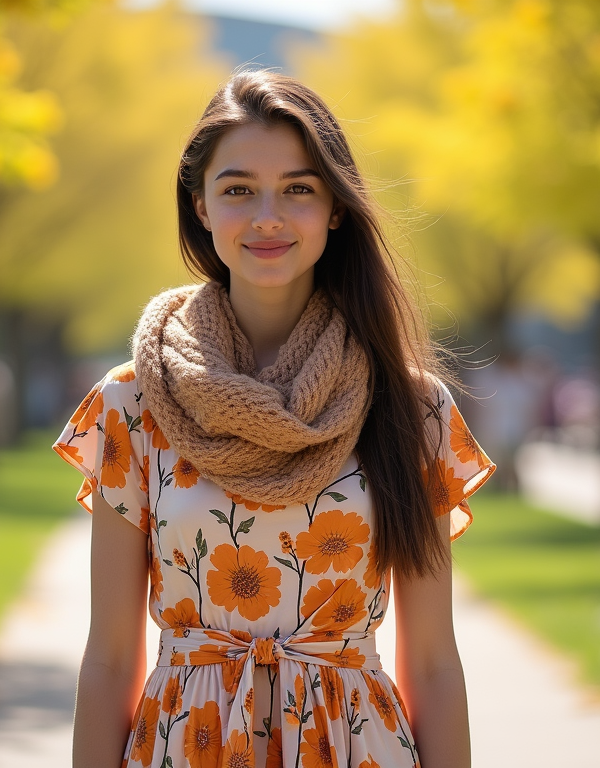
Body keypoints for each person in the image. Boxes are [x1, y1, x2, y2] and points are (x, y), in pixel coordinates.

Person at [53, 71, 495, 768]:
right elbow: (108, 657)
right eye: (237, 190)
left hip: (356, 748)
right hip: (186, 744)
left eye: (298, 189)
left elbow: (435, 662)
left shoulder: (414, 410)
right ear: (199, 206)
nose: (267, 217)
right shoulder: (133, 402)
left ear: (336, 209)